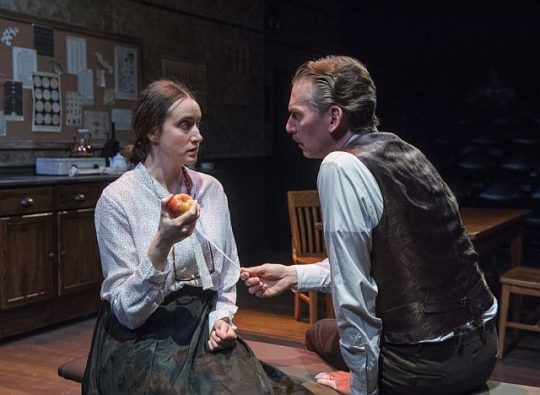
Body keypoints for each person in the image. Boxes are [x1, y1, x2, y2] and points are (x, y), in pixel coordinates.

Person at [241, 56, 498, 395]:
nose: (289, 127)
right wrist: (295, 275)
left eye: (296, 115)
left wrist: (363, 386)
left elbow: (355, 294)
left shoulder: (339, 165)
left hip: (428, 370)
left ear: (334, 117)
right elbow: (387, 262)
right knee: (329, 330)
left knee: (317, 331)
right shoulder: (403, 150)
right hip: (482, 350)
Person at [83, 80, 309, 394]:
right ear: (152, 131)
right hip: (141, 336)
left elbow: (226, 275)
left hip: (200, 323)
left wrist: (222, 319)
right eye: (185, 125)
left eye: (198, 124)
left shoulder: (210, 190)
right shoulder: (118, 199)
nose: (198, 135)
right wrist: (162, 244)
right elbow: (127, 313)